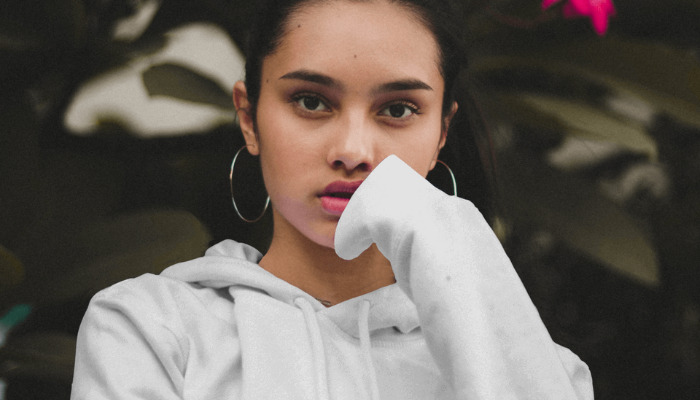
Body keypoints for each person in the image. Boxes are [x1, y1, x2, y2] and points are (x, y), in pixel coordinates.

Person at [71, 0, 594, 399]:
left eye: (398, 109)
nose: (352, 151)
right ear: (249, 118)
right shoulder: (148, 329)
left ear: (441, 133)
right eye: (311, 101)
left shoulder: (546, 372)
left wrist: (456, 254)